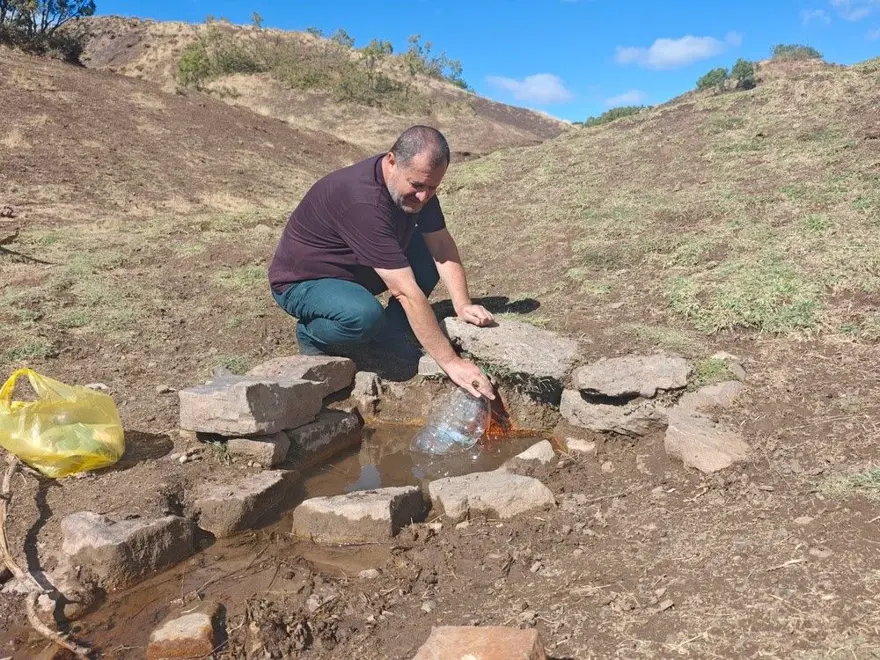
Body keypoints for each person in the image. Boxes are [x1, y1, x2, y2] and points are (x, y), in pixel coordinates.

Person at [269, 125, 495, 400]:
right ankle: (313, 334)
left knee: (425, 253)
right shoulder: (362, 200)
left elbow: (441, 244)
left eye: (433, 187)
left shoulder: (416, 185)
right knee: (363, 316)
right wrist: (451, 362)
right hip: (304, 281)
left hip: (357, 267)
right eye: (418, 185)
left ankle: (389, 333)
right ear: (391, 162)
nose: (424, 196)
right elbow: (405, 291)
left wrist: (463, 304)